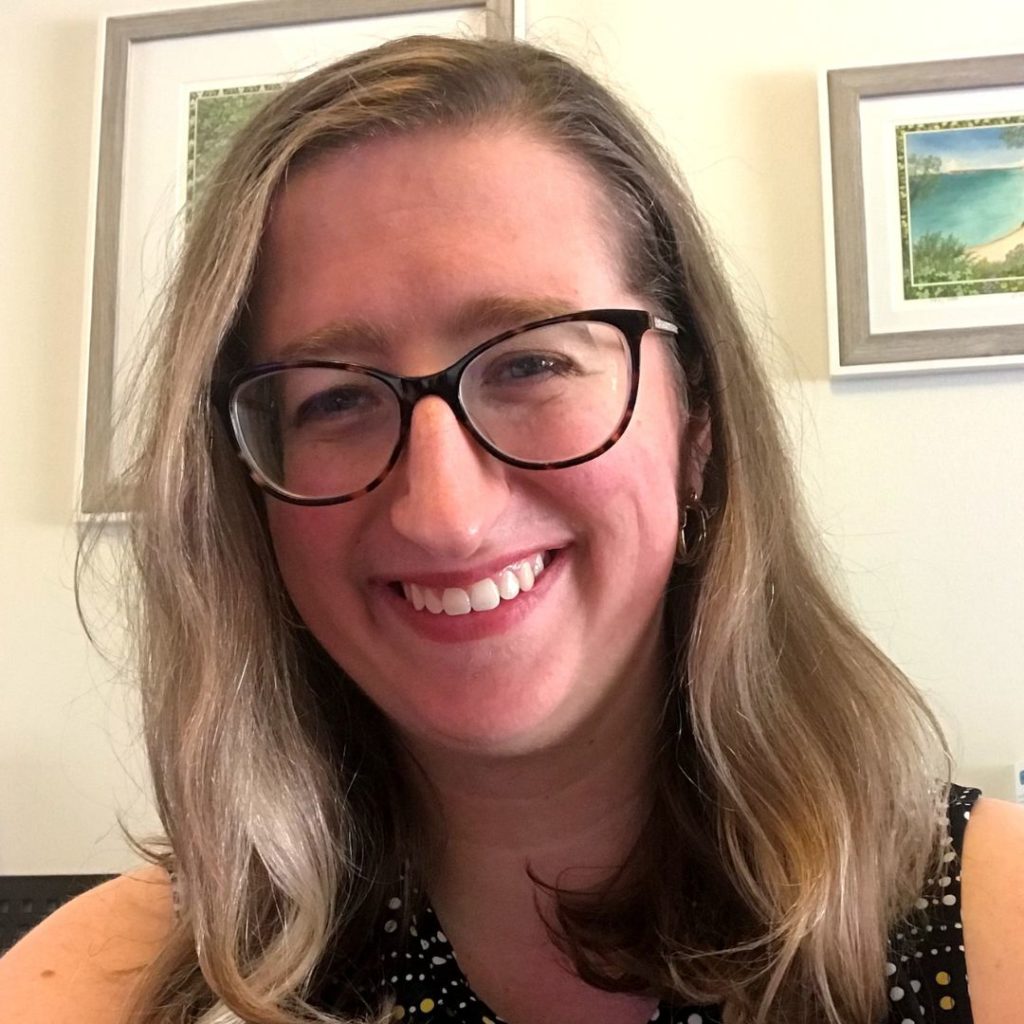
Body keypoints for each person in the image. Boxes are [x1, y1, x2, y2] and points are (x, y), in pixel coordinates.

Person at [2, 34, 1022, 1024]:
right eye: (332, 399)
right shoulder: (106, 987)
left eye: (531, 363)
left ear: (698, 427)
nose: (443, 512)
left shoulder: (990, 930)